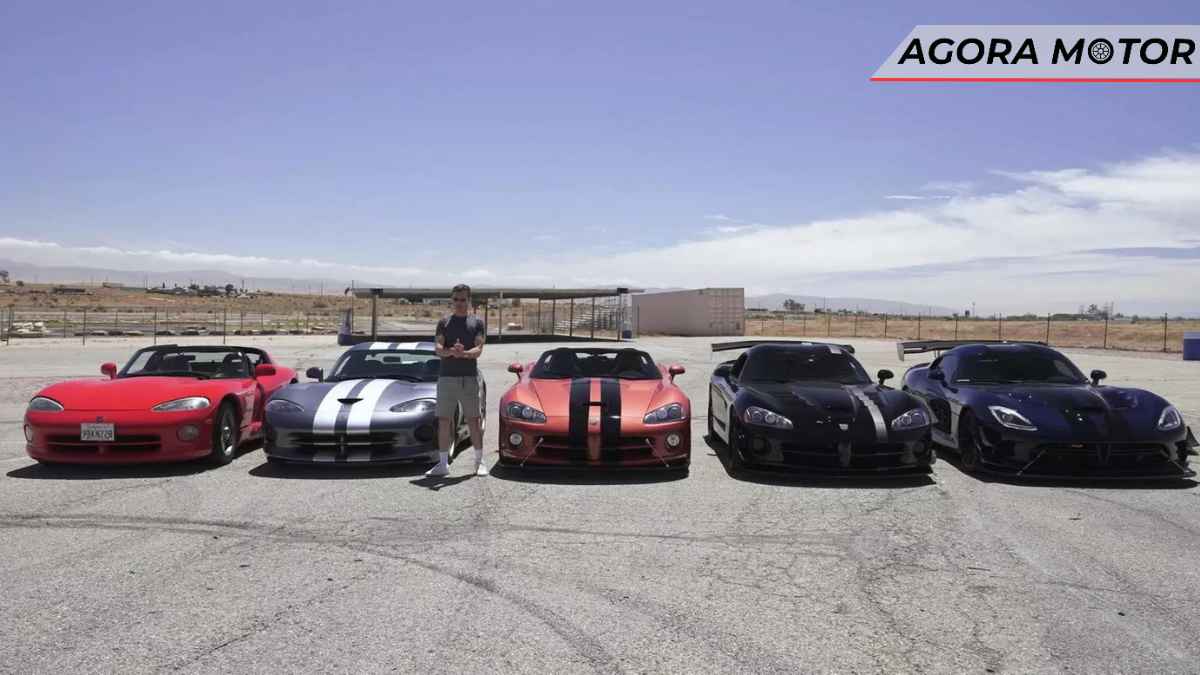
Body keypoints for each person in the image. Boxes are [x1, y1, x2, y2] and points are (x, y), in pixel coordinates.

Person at [426, 284, 488, 477]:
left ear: (469, 300)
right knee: (444, 421)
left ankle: (479, 462)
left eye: (463, 299)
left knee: (474, 421)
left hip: (468, 378)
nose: (459, 303)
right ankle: (443, 464)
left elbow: (478, 349)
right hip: (446, 379)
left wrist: (464, 354)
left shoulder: (477, 322)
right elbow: (438, 347)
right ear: (451, 300)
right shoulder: (443, 322)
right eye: (456, 300)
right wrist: (451, 351)